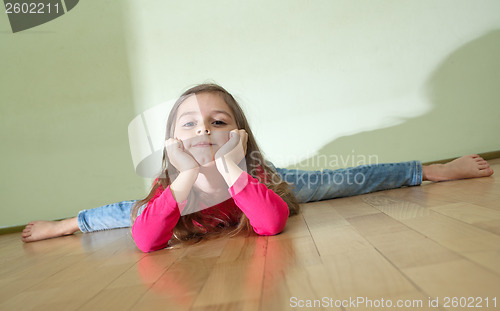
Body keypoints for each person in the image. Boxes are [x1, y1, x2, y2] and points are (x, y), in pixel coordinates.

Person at [21, 84, 494, 251]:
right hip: (180, 187)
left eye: (218, 121)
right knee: (125, 213)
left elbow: (268, 225)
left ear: (239, 134)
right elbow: (144, 238)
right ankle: (66, 224)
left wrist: (232, 170)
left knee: (343, 179)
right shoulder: (174, 188)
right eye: (189, 124)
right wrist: (185, 177)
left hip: (263, 183)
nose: (203, 129)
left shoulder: (259, 177)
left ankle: (430, 171)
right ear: (172, 141)